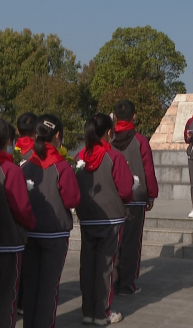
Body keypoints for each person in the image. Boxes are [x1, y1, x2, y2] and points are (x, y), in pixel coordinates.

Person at [21, 114, 80, 328]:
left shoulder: (25, 166)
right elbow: (72, 198)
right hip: (54, 234)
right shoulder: (61, 167)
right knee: (49, 288)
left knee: (31, 287)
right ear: (57, 136)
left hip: (30, 233)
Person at [0, 119, 37, 328]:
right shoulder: (10, 171)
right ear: (9, 141)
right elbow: (21, 209)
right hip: (8, 244)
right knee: (5, 300)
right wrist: (31, 223)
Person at [75, 114, 134, 325]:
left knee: (88, 264)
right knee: (106, 266)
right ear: (109, 132)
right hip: (110, 217)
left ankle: (88, 311)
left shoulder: (79, 157)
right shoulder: (114, 156)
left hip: (87, 216)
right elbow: (126, 189)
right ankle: (102, 312)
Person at [111, 100, 159, 296]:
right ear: (134, 116)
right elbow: (148, 169)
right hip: (135, 197)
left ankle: (112, 282)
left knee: (114, 242)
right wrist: (151, 195)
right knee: (131, 242)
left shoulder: (109, 139)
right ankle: (127, 284)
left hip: (113, 196)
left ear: (114, 117)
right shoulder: (140, 140)